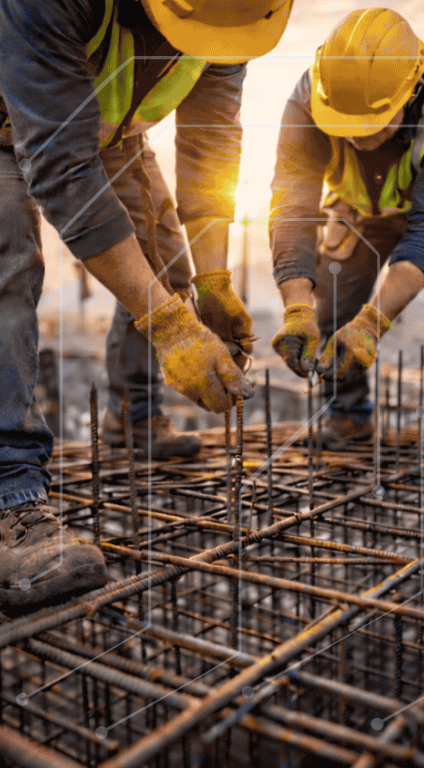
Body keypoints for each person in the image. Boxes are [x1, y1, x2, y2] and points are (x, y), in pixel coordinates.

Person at [0, 0, 287, 608]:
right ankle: (11, 498)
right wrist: (169, 326)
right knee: (9, 261)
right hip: (11, 114)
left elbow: (210, 145)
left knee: (164, 265)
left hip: (104, 128)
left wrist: (210, 283)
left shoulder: (234, 11)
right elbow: (59, 166)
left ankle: (132, 417)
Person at [269, 7, 424, 450]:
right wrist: (296, 308)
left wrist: (374, 321)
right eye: (343, 126)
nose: (356, 139)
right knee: (330, 311)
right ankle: (347, 417)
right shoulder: (310, 97)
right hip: (355, 210)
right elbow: (293, 205)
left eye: (370, 126)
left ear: (409, 94)